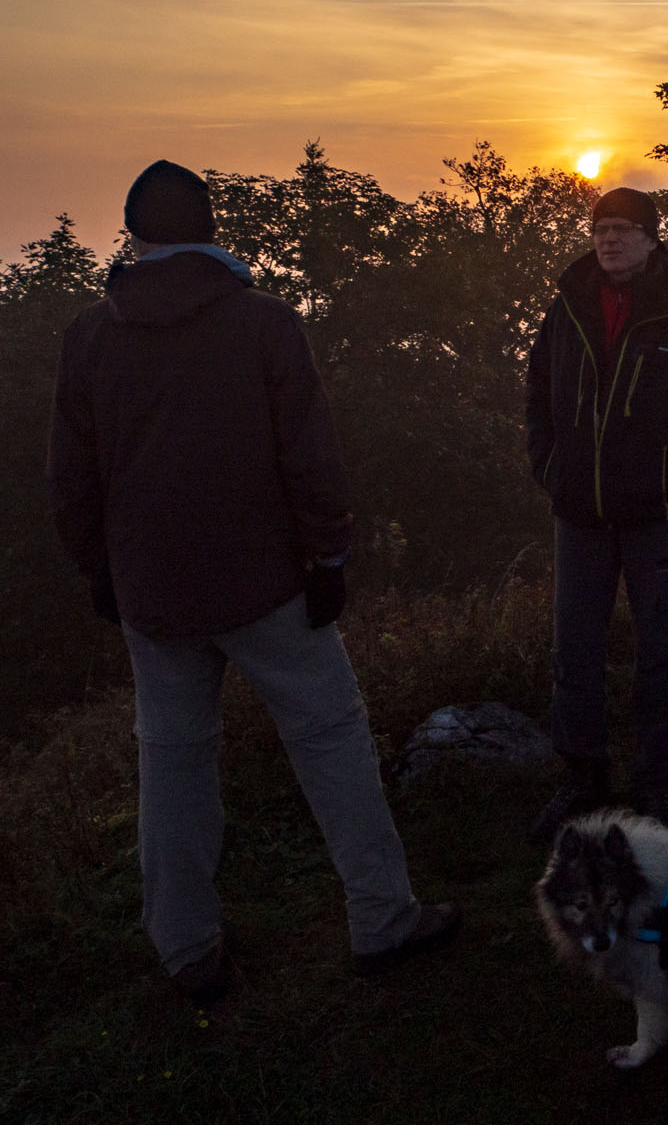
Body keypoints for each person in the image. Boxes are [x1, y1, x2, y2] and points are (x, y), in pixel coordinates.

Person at [46, 160, 460, 1003]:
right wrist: (330, 558)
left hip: (152, 594)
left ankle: (186, 950)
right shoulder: (263, 325)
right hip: (268, 583)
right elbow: (310, 456)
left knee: (172, 764)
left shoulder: (91, 335)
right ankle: (381, 919)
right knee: (333, 739)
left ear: (135, 236)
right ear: (210, 230)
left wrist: (100, 571)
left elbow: (71, 477)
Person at [524, 187, 668, 842]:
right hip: (581, 517)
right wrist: (549, 467)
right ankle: (582, 781)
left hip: (659, 519)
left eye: (623, 229)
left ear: (652, 238)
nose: (609, 239)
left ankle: (656, 784)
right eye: (600, 228)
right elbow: (536, 391)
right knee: (575, 653)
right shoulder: (566, 308)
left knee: (660, 653)